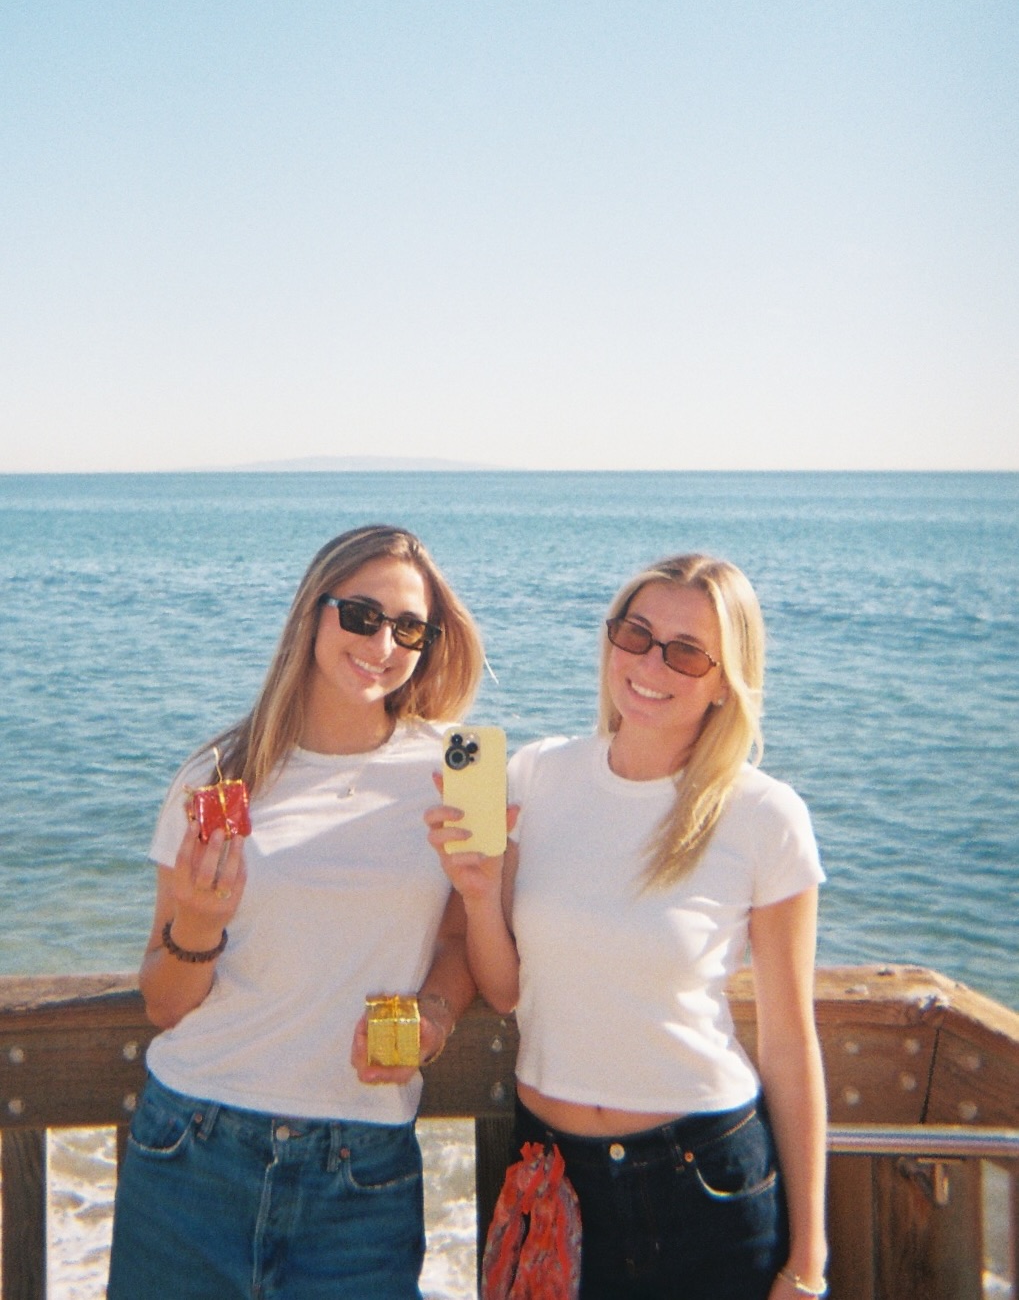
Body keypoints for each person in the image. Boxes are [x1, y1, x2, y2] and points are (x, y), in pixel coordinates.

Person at [429, 553, 828, 1300]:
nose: (650, 663)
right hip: (549, 1174)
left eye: (684, 651)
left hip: (703, 1181)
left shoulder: (764, 815)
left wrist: (807, 1260)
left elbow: (787, 1038)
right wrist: (479, 897)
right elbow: (509, 991)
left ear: (723, 680)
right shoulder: (539, 775)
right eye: (635, 634)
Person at [108, 524, 484, 1300]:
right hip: (192, 1149)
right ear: (312, 613)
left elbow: (465, 935)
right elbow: (164, 1004)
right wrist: (199, 928)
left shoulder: (464, 765)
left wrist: (435, 1020)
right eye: (361, 615)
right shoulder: (221, 774)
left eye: (408, 628)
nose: (383, 643)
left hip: (362, 1169)